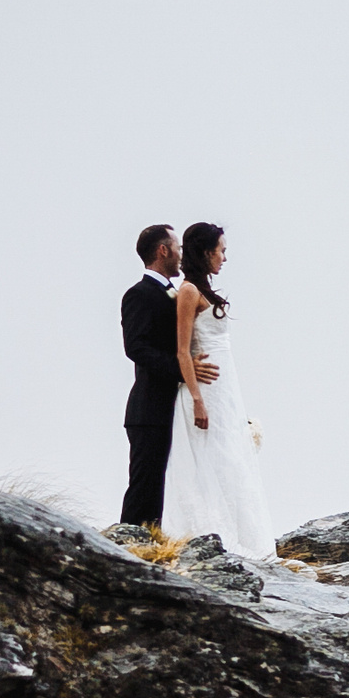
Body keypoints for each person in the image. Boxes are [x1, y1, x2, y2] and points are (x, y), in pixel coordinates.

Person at [158, 221, 276, 556]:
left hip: (226, 388)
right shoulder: (188, 292)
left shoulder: (206, 292)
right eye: (221, 250)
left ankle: (243, 537)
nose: (224, 257)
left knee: (230, 457)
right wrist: (196, 399)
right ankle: (213, 533)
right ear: (206, 251)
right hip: (206, 390)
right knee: (211, 458)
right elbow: (182, 349)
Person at [118, 223, 216, 526]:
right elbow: (135, 347)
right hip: (149, 408)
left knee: (164, 486)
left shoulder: (177, 293)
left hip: (174, 406)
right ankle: (129, 546)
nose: (181, 254)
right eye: (178, 248)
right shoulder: (139, 294)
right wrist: (181, 367)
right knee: (145, 486)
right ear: (163, 251)